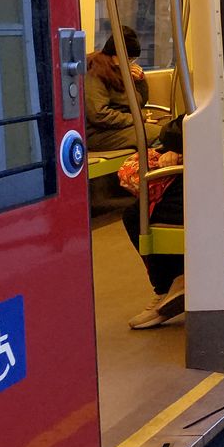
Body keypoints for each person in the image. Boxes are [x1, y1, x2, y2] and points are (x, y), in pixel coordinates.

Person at [120, 116, 185, 329]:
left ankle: (170, 284)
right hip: (108, 129)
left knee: (137, 215)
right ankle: (173, 283)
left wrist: (174, 144)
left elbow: (176, 129)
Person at [85, 27, 161, 151]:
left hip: (117, 127)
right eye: (128, 59)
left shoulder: (118, 70)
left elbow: (138, 103)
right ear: (115, 54)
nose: (130, 63)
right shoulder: (95, 72)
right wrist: (137, 119)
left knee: (165, 134)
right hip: (99, 133)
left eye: (133, 60)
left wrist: (140, 81)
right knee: (157, 135)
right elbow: (98, 114)